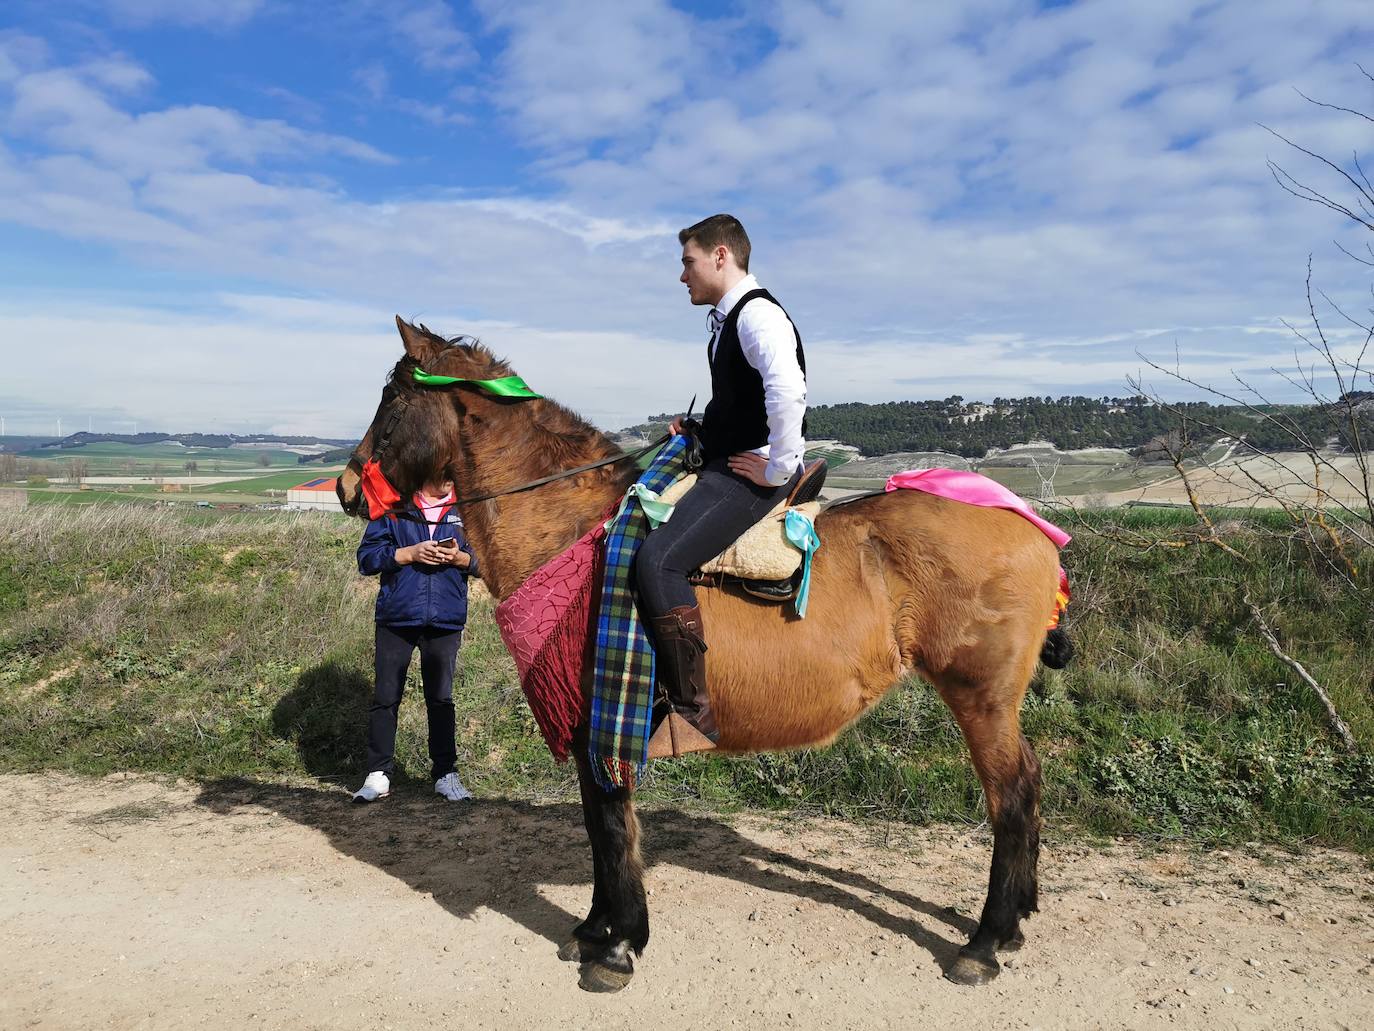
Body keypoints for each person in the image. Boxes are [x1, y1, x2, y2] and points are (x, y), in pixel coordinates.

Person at [636, 213, 807, 755]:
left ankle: (692, 710)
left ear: (719, 256)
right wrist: (700, 432)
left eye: (687, 262)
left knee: (657, 561)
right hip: (730, 456)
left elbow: (787, 390)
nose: (681, 276)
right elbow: (744, 399)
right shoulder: (729, 318)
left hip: (750, 472)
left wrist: (779, 468)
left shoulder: (758, 317)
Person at [352, 476, 480, 803]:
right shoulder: (395, 508)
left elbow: (488, 562)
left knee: (441, 699)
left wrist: (460, 559)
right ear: (426, 469)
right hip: (397, 616)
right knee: (385, 696)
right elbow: (367, 558)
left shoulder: (467, 509)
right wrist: (408, 554)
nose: (451, 475)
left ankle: (445, 774)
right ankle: (378, 774)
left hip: (445, 618)